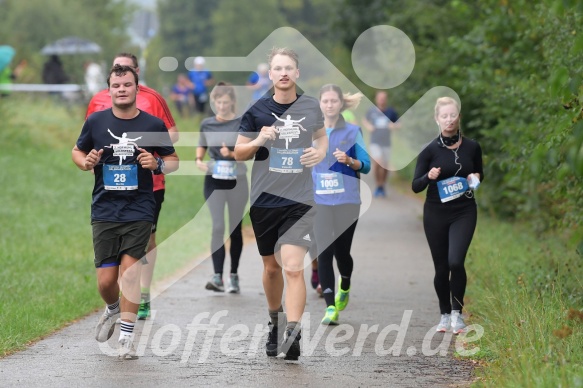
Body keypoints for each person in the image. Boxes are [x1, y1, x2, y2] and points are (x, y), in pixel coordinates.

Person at [72, 64, 179, 359]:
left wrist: (156, 164)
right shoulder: (95, 122)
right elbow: (77, 151)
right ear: (110, 89)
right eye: (116, 85)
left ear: (136, 88)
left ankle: (127, 340)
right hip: (105, 207)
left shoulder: (153, 125)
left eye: (127, 85)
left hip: (140, 208)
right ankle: (113, 308)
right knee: (107, 281)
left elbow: (173, 161)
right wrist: (86, 162)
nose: (122, 90)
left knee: (130, 274)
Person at [234, 47, 328, 360]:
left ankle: (294, 332)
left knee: (292, 267)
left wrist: (320, 152)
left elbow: (321, 136)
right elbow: (239, 153)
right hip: (264, 201)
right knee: (272, 268)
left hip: (299, 199)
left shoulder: (310, 106)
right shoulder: (257, 110)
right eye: (278, 68)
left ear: (297, 73)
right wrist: (259, 140)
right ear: (271, 74)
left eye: (289, 67)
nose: (284, 73)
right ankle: (275, 322)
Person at [411, 96, 483, 334]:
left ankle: (457, 314)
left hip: (464, 211)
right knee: (441, 267)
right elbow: (415, 186)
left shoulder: (472, 147)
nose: (449, 120)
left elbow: (479, 173)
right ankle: (444, 314)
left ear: (459, 117)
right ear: (437, 119)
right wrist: (428, 176)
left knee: (456, 261)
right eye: (445, 116)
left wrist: (475, 179)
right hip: (435, 213)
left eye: (453, 115)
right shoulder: (429, 150)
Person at [313, 84, 370, 325]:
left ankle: (344, 284)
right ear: (320, 104)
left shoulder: (353, 131)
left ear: (340, 104)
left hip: (347, 200)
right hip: (319, 199)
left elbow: (366, 165)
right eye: (325, 101)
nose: (329, 105)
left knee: (341, 252)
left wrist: (349, 160)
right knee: (324, 251)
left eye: (333, 101)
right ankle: (329, 307)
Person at [196, 82, 249, 293]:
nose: (222, 106)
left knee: (234, 229)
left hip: (237, 180)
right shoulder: (207, 123)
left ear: (232, 102)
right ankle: (217, 276)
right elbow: (202, 143)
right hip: (214, 179)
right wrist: (199, 158)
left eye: (226, 102)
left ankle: (233, 275)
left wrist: (233, 154)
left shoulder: (242, 123)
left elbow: (249, 150)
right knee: (218, 226)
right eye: (218, 102)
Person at [362, 90, 399, 198]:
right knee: (378, 163)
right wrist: (368, 126)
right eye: (380, 98)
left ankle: (382, 185)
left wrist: (394, 126)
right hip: (375, 141)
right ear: (376, 99)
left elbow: (399, 123)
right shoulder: (372, 111)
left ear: (386, 99)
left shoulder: (391, 112)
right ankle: (378, 185)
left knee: (386, 166)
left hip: (386, 142)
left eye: (383, 98)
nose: (382, 100)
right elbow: (365, 120)